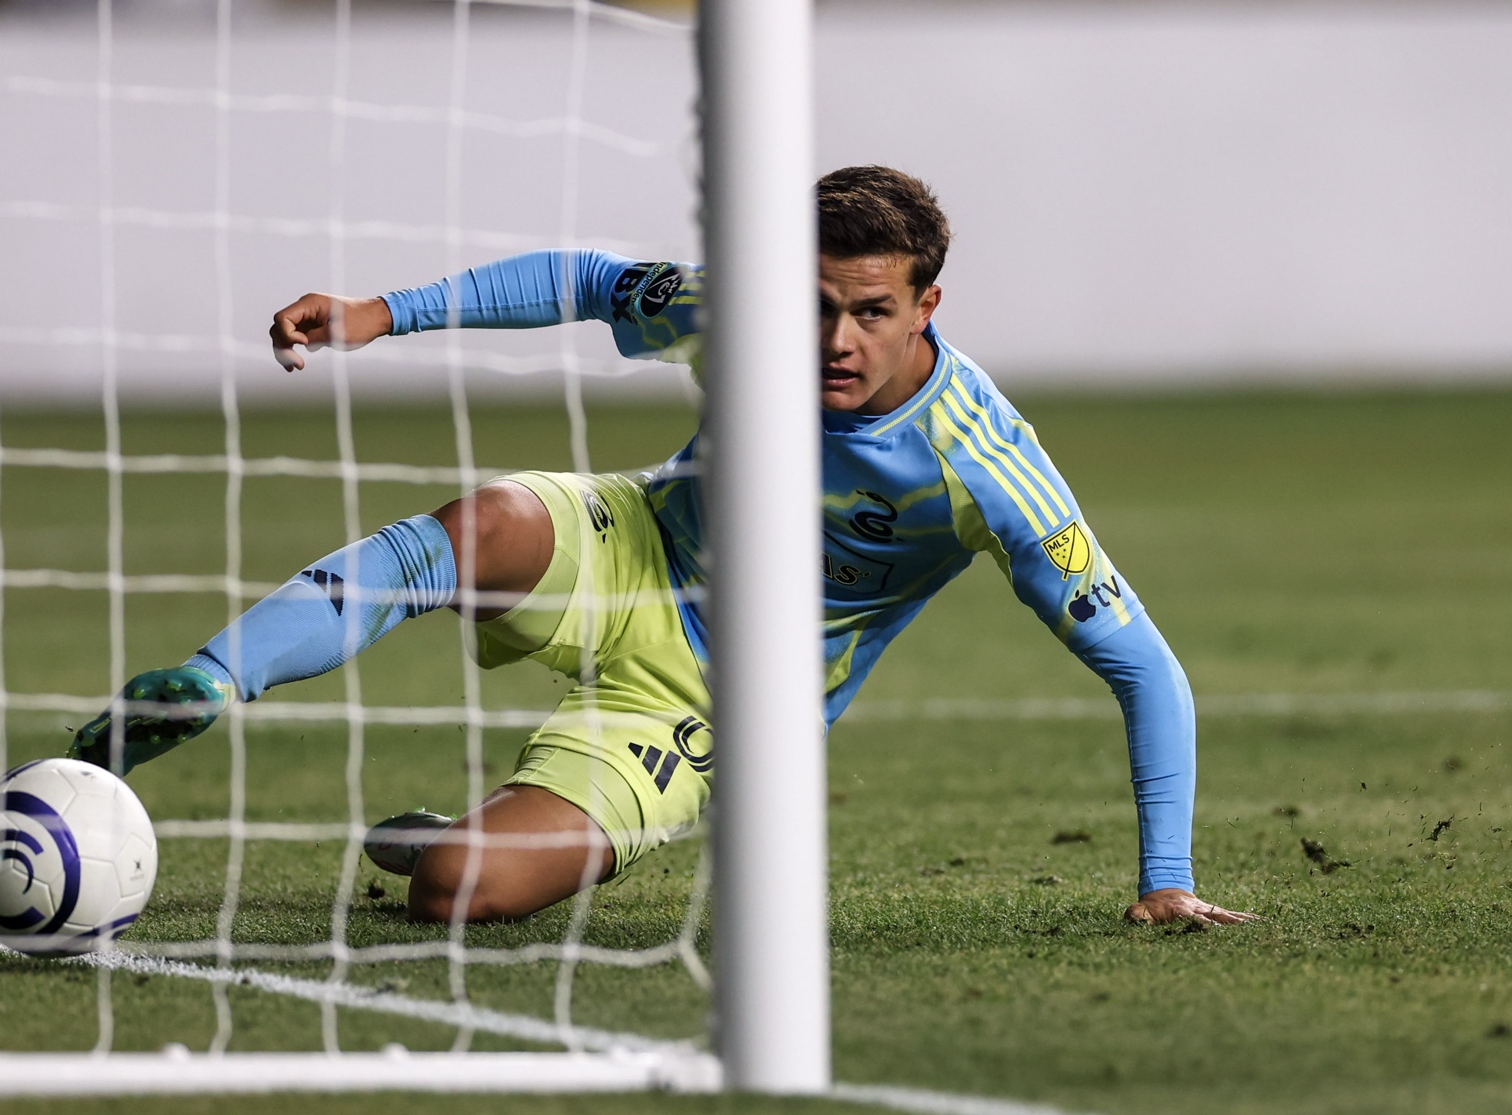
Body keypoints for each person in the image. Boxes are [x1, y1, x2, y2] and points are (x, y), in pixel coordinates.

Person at [71, 166, 1254, 929]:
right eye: (814, 306)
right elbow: (589, 280)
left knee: (456, 892)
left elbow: (1141, 665)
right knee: (483, 523)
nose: (834, 341)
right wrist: (382, 314)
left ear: (925, 308)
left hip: (715, 701)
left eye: (871, 312)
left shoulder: (987, 470)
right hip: (634, 546)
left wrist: (1164, 878)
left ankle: (448, 840)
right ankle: (206, 681)